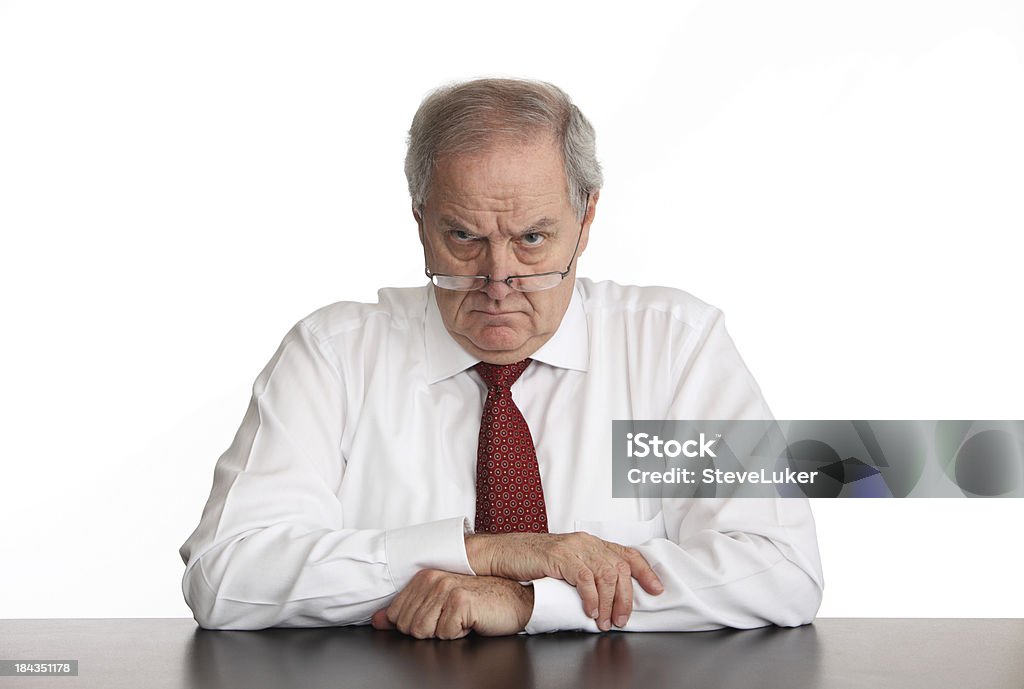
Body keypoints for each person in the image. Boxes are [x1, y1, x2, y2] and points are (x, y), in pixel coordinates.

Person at [179, 77, 824, 638]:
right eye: (463, 237)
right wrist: (482, 553)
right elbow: (228, 574)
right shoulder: (335, 357)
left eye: (533, 239)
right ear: (419, 220)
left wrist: (528, 600)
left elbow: (775, 568)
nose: (498, 280)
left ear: (587, 218)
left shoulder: (670, 349)